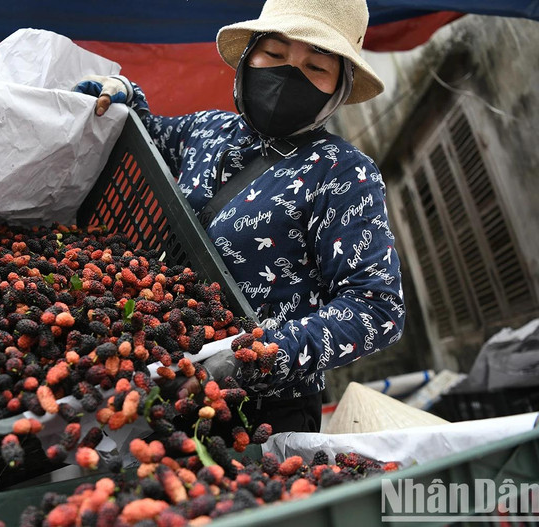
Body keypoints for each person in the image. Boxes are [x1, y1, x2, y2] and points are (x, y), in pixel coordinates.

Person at [74, 0, 405, 433]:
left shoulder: (342, 171)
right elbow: (147, 134)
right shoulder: (207, 131)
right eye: (276, 53)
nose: (289, 73)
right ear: (250, 57)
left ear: (337, 90)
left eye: (316, 67)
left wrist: (259, 354)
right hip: (159, 371)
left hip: (261, 411)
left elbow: (376, 309)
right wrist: (123, 92)